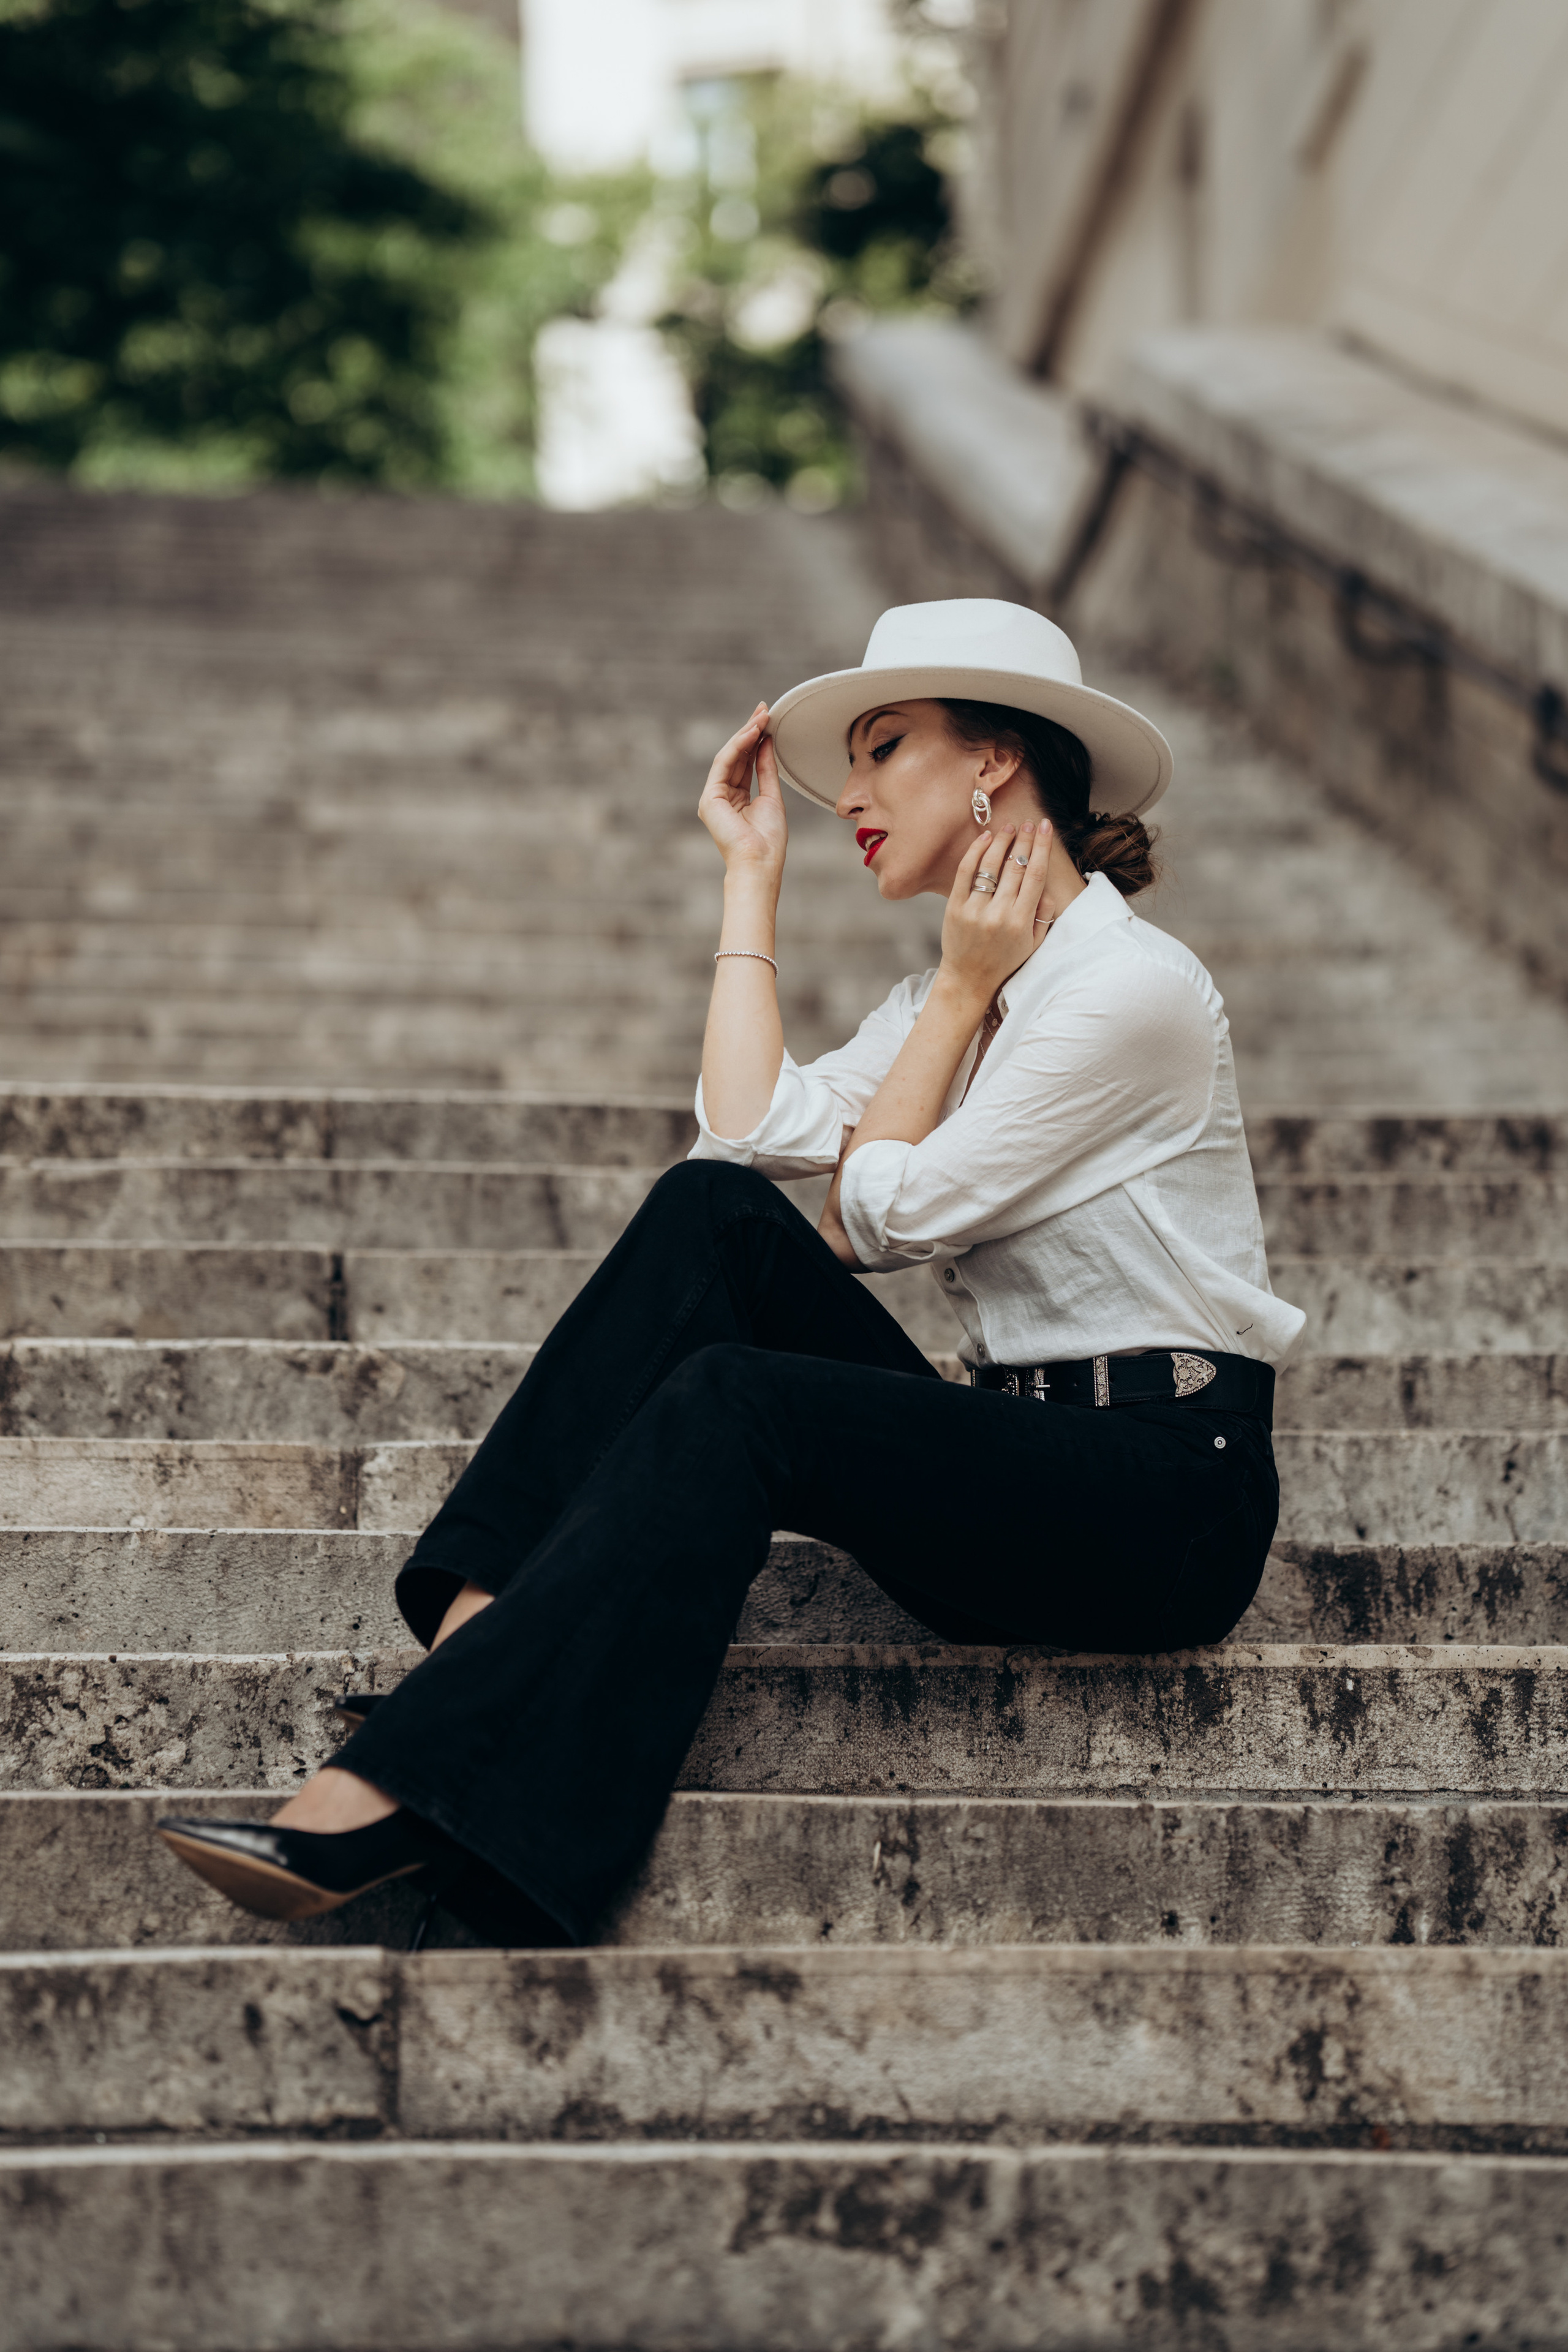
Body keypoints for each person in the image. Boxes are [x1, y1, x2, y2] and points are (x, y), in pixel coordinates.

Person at [156, 597, 1305, 1941]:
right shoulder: (962, 987)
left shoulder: (1129, 990)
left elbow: (882, 1213)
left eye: (881, 751)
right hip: (1012, 1456)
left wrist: (949, 1000)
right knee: (709, 1219)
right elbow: (748, 1137)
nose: (846, 797)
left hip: (1160, 1504)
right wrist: (746, 878)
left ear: (993, 759)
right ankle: (465, 1671)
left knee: (734, 1397)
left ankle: (447, 1784)